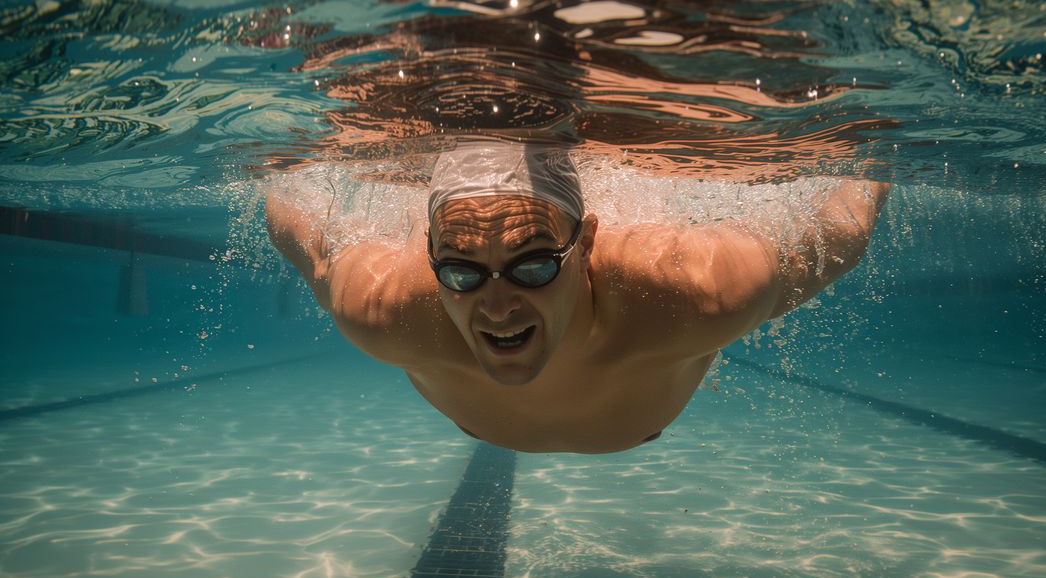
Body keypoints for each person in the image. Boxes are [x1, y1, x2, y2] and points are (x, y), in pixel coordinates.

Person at [265, 141, 890, 454]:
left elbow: (842, 233)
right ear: (429, 257)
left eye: (532, 266)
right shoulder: (382, 307)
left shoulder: (695, 291)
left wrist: (877, 150)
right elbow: (301, 233)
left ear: (587, 243)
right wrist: (277, 163)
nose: (498, 306)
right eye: (461, 271)